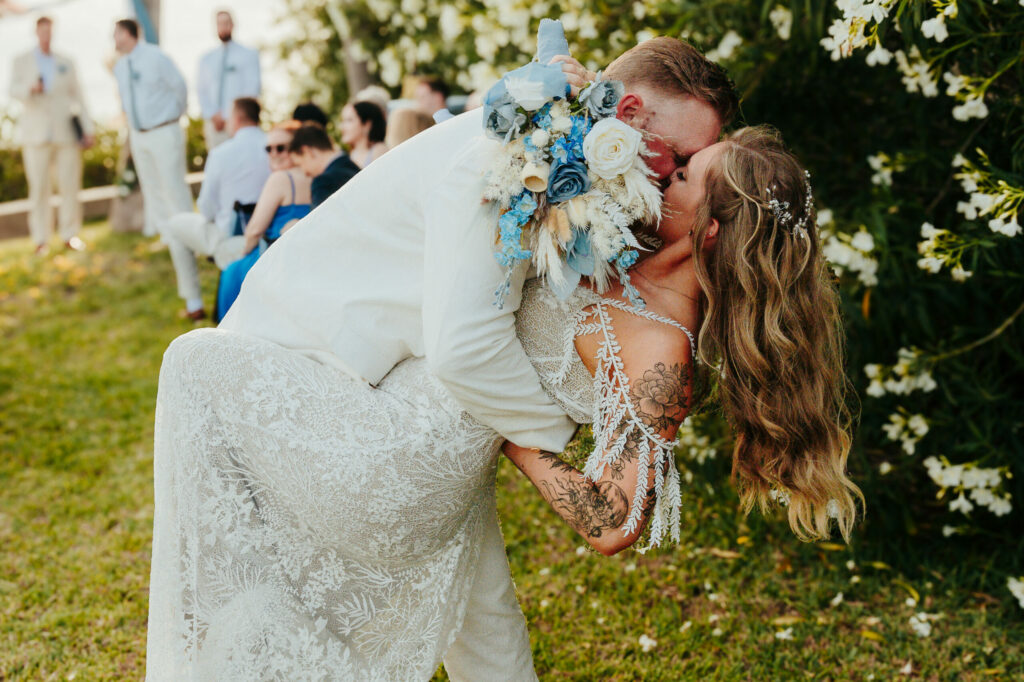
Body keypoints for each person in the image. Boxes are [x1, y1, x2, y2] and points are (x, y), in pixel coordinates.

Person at [147, 35, 746, 680]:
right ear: (624, 117)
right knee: (484, 630)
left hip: (404, 439)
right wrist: (526, 437)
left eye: (686, 172)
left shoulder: (600, 227)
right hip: (335, 378)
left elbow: (473, 357)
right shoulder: (518, 164)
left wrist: (521, 442)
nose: (667, 175)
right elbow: (469, 347)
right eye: (679, 159)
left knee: (192, 364)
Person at [161, 97, 268, 320]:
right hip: (269, 232)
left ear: (237, 118)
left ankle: (194, 303)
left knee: (173, 225)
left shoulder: (221, 153)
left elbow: (206, 208)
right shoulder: (276, 147)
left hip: (229, 235)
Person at [9, 16, 93, 256]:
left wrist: (88, 129)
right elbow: (12, 90)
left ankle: (70, 234)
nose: (46, 35)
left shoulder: (66, 61)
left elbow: (80, 96)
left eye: (49, 31)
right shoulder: (21, 60)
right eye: (42, 31)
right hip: (35, 136)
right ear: (36, 32)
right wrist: (29, 89)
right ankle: (40, 239)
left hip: (65, 133)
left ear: (53, 32)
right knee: (39, 190)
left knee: (70, 186)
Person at [215, 120, 311, 319]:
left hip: (272, 254)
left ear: (296, 148)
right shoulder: (315, 175)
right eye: (269, 148)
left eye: (280, 147)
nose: (274, 153)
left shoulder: (281, 179)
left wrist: (243, 254)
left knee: (231, 270)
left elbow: (255, 230)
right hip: (301, 256)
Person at [112, 18, 192, 239]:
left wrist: (175, 115)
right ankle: (167, 235)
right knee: (151, 186)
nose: (114, 39)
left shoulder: (156, 56)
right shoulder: (120, 66)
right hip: (139, 135)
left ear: (129, 34)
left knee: (173, 185)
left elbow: (179, 86)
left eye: (116, 34)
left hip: (164, 130)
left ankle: (187, 233)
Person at [196, 10, 260, 151]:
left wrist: (231, 116)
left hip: (240, 122)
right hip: (214, 124)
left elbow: (252, 89)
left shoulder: (248, 54)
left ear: (233, 25)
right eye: (219, 24)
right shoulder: (207, 58)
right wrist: (213, 115)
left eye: (226, 23)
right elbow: (202, 90)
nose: (223, 27)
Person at [287, 123, 360, 208]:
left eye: (300, 164)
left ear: (308, 152)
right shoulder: (355, 168)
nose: (305, 172)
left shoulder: (322, 183)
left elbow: (320, 220)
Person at [339, 100, 387, 168]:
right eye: (343, 121)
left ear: (367, 125)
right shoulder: (350, 155)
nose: (342, 127)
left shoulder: (379, 150)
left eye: (349, 120)